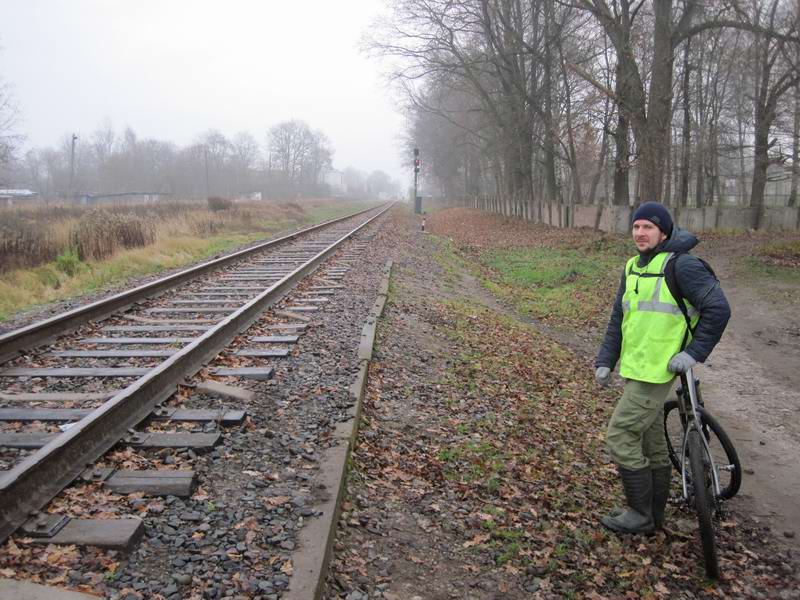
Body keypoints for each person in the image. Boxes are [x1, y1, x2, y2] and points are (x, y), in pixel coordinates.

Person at [595, 201, 731, 534]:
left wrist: (694, 352)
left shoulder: (682, 266)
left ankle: (639, 515)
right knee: (650, 443)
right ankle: (653, 518)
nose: (640, 233)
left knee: (621, 435)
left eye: (648, 227)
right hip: (636, 369)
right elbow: (619, 318)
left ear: (664, 232)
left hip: (658, 372)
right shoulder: (632, 267)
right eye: (636, 226)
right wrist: (605, 360)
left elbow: (718, 308)